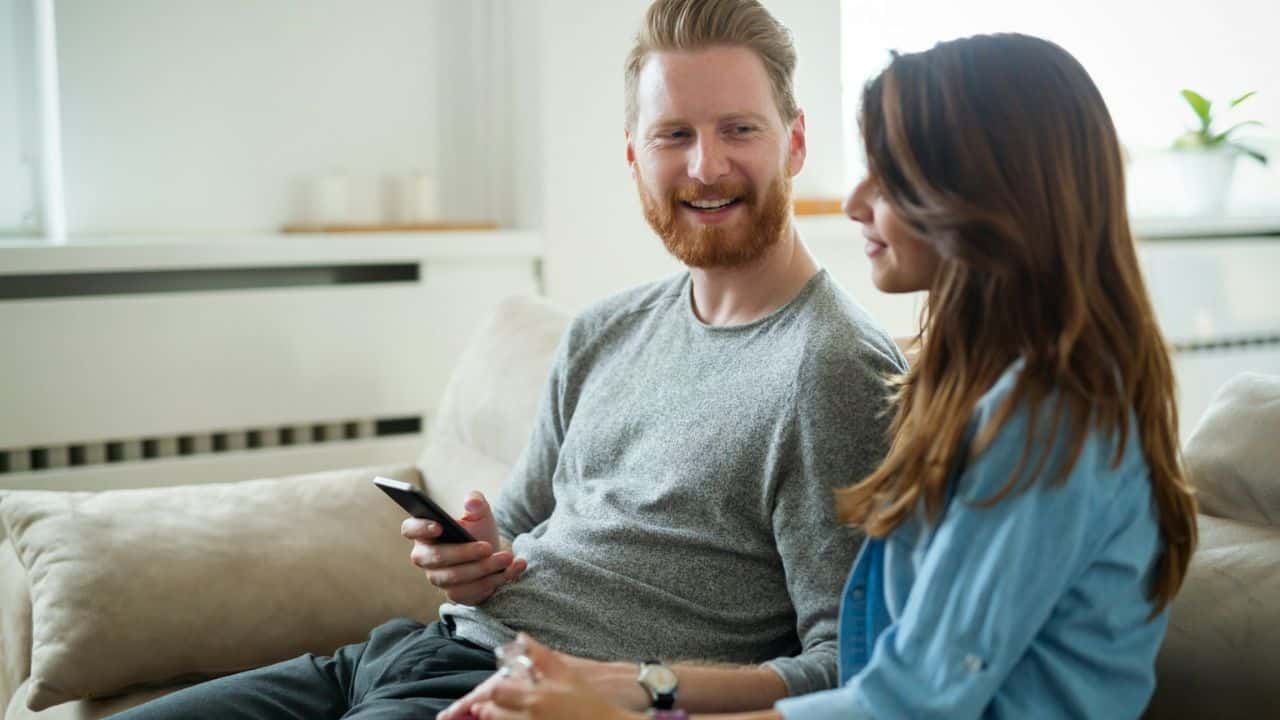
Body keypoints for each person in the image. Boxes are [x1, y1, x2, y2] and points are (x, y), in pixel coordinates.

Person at [110, 1, 904, 718]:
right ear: (634, 156)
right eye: (674, 135)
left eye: (739, 129)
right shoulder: (604, 332)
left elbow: (849, 667)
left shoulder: (833, 371)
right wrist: (473, 556)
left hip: (514, 695)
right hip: (401, 653)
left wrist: (641, 686)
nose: (705, 166)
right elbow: (516, 526)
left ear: (795, 142)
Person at [465, 32, 1201, 720]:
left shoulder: (1046, 426)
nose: (853, 203)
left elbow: (901, 704)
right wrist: (638, 686)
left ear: (990, 196)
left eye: (893, 176)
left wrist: (621, 710)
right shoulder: (978, 396)